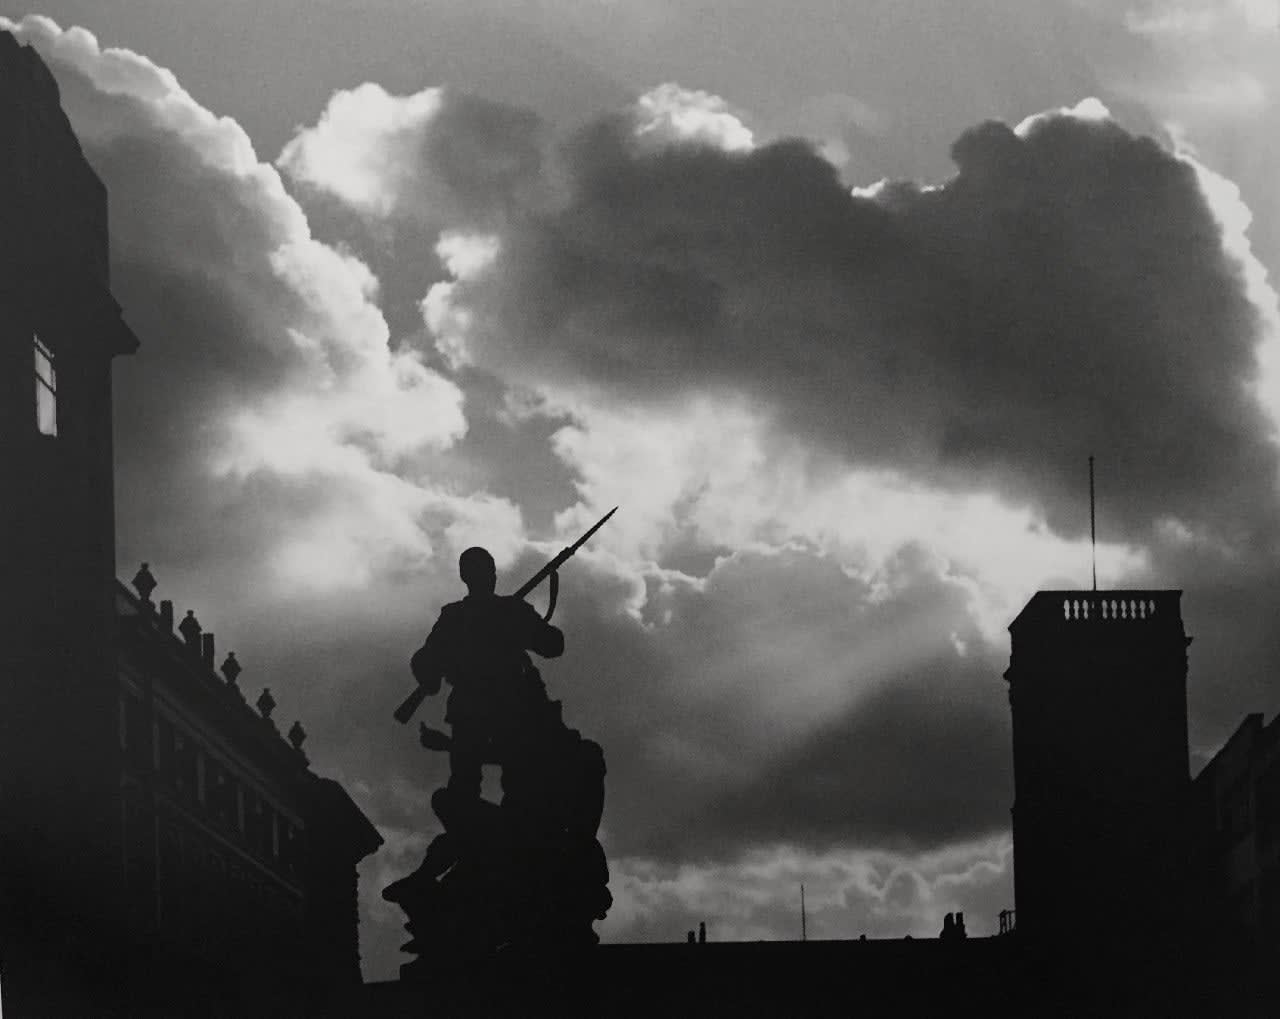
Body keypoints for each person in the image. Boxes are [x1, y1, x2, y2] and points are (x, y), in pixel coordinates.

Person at [410, 547, 565, 803]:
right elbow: (553, 645)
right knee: (516, 786)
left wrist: (431, 679)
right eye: (489, 570)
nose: (492, 576)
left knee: (465, 785)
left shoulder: (454, 617)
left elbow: (425, 659)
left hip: (469, 709)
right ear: (489, 575)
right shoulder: (509, 611)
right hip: (510, 708)